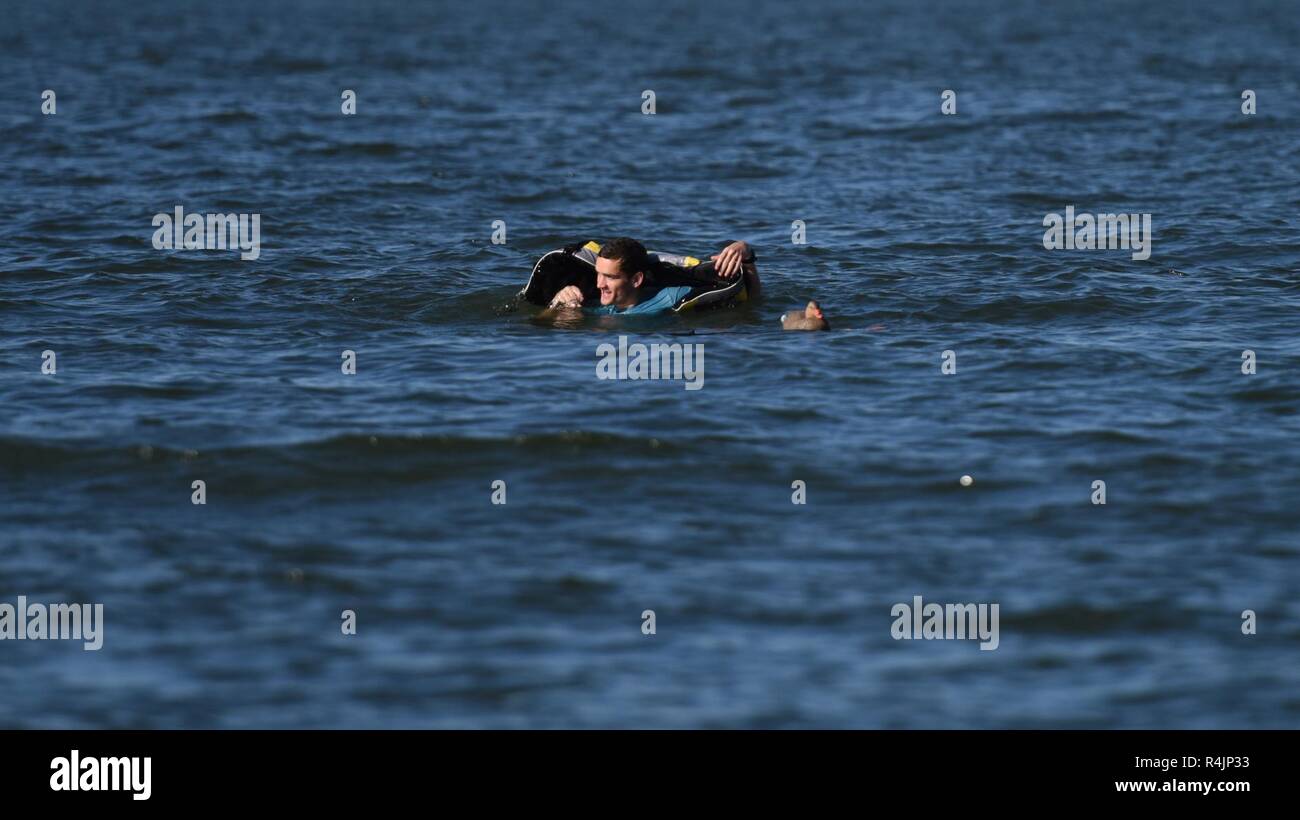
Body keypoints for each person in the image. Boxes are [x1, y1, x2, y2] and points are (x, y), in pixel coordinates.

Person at [547, 237, 759, 315]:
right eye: (598, 274)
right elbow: (536, 327)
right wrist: (558, 305)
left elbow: (751, 303)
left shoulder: (670, 298)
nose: (600, 284)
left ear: (636, 280)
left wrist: (746, 255)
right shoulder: (588, 300)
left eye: (610, 277)